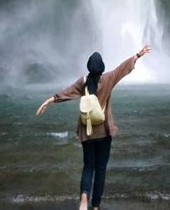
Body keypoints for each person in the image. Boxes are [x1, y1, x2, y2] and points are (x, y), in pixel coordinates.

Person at [36, 44, 152, 210]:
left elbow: (65, 93)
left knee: (88, 166)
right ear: (102, 68)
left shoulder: (83, 82)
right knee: (100, 169)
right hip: (104, 132)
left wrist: (48, 101)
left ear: (89, 68)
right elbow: (122, 68)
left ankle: (84, 198)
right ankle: (96, 206)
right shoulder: (109, 78)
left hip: (87, 132)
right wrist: (138, 55)